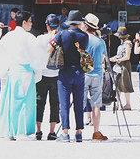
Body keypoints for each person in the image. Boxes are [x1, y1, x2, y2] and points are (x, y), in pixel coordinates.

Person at [0, 10, 44, 140]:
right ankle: (23, 131)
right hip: (26, 71)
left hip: (14, 72)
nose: (31, 24)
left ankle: (11, 131)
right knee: (26, 102)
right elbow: (37, 56)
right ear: (24, 22)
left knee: (12, 102)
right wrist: (37, 70)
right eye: (30, 21)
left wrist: (3, 70)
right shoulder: (29, 38)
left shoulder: (9, 36)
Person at [53, 10, 89, 142]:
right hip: (80, 72)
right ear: (80, 22)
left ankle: (65, 132)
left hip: (65, 72)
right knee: (79, 103)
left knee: (64, 103)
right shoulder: (85, 36)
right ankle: (79, 132)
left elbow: (49, 48)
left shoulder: (62, 34)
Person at [81, 14, 109, 140]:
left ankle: (78, 131)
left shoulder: (82, 39)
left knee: (79, 103)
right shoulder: (100, 41)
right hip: (97, 74)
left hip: (84, 73)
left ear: (86, 26)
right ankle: (96, 132)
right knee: (96, 104)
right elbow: (103, 58)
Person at [35, 14, 61, 139]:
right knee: (55, 103)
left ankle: (38, 130)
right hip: (56, 75)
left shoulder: (40, 39)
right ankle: (52, 131)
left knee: (39, 102)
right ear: (59, 25)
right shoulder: (61, 38)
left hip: (42, 74)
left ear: (47, 25)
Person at [109, 27, 135, 111]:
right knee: (117, 84)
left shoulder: (127, 43)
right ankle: (117, 103)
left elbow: (127, 56)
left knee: (125, 84)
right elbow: (120, 54)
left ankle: (128, 104)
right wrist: (114, 58)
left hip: (124, 65)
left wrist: (117, 60)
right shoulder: (122, 43)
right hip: (118, 65)